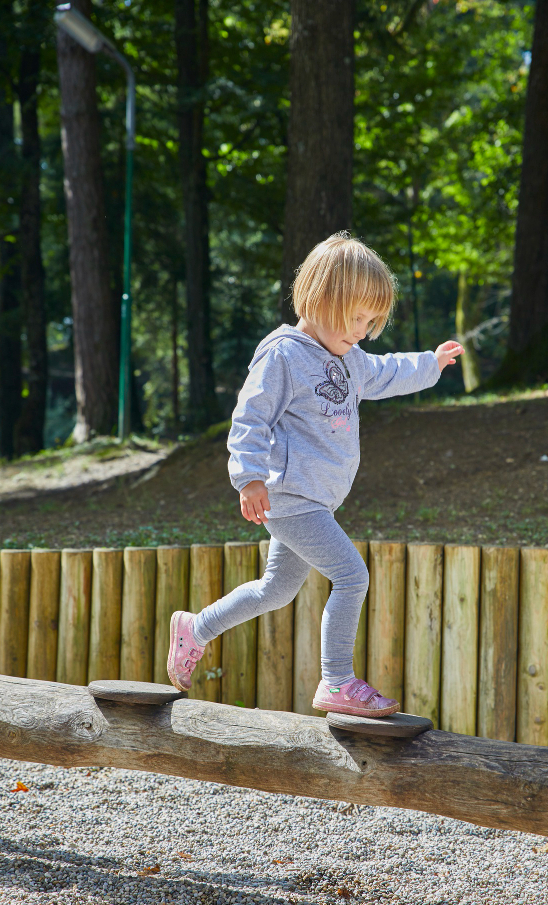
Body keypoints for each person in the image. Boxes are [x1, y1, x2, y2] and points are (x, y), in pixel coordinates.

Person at [167, 233, 464, 716]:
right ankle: (337, 681)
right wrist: (249, 477)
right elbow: (251, 417)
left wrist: (430, 363)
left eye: (372, 322)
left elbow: (386, 372)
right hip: (291, 497)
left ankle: (194, 629)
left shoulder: (349, 356)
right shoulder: (284, 355)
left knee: (276, 590)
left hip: (316, 499)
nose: (364, 332)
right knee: (352, 577)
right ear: (324, 299)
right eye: (358, 318)